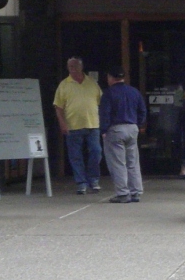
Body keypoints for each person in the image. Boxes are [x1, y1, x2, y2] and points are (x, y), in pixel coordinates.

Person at [53, 56, 103, 195]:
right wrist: (62, 123)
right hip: (72, 126)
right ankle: (81, 183)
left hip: (92, 125)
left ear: (81, 67)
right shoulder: (64, 85)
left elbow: (100, 102)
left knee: (96, 151)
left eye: (75, 66)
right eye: (70, 66)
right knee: (75, 156)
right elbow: (58, 107)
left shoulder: (92, 83)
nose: (73, 69)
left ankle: (93, 179)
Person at [99, 67, 147, 204]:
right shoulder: (134, 92)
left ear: (110, 78)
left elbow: (105, 114)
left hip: (115, 129)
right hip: (132, 128)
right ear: (123, 78)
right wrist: (139, 124)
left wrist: (103, 130)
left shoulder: (108, 94)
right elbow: (142, 110)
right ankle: (136, 191)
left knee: (118, 162)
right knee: (133, 161)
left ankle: (122, 193)